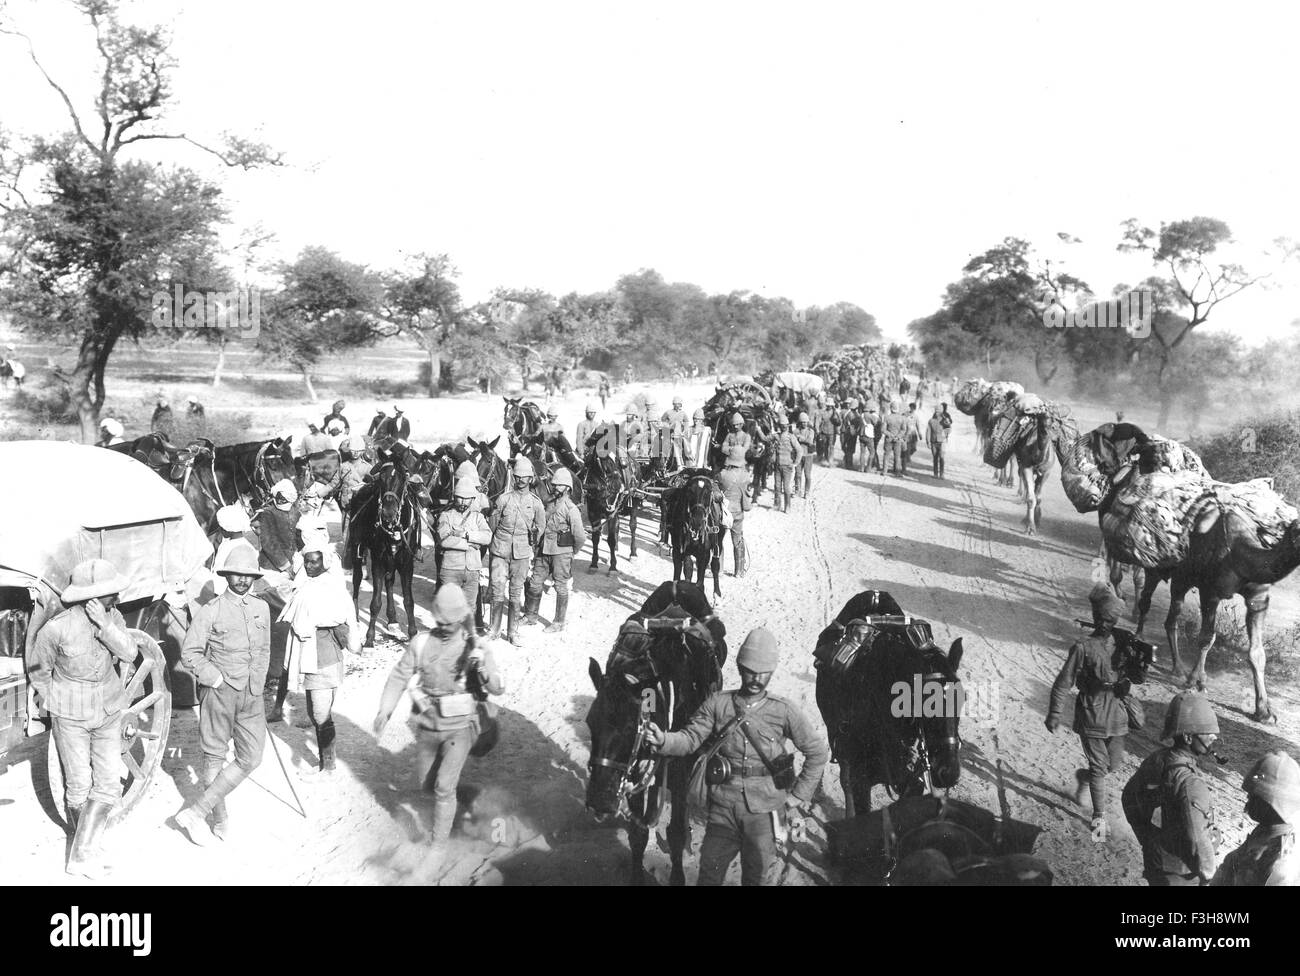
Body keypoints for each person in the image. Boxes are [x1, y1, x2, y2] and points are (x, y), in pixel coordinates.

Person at [645, 627, 829, 886]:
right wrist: (663, 740)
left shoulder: (783, 711)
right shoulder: (718, 704)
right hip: (723, 807)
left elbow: (817, 752)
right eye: (750, 671)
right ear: (740, 667)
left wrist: (798, 796)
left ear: (771, 672)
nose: (756, 678)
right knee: (709, 873)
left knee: (756, 877)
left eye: (763, 673)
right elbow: (690, 738)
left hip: (764, 809)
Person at [373, 586, 504, 875]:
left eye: (451, 622)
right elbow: (399, 675)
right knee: (428, 785)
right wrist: (385, 709)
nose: (445, 627)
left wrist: (481, 667)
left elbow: (498, 686)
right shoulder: (420, 643)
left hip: (461, 727)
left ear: (460, 620)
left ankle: (439, 847)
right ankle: (464, 798)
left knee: (444, 786)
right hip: (428, 725)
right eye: (441, 622)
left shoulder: (475, 646)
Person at [29, 559, 138, 877]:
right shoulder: (57, 629)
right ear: (90, 596)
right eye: (110, 594)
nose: (115, 598)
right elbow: (39, 670)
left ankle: (82, 851)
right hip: (71, 715)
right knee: (78, 788)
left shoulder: (112, 617)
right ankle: (85, 850)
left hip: (107, 710)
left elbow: (130, 653)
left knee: (107, 786)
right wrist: (54, 700)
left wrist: (105, 626)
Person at [175, 544, 272, 846]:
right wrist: (214, 678)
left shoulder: (262, 607)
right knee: (214, 758)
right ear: (227, 575)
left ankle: (196, 812)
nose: (242, 580)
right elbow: (190, 653)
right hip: (219, 695)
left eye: (248, 576)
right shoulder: (211, 610)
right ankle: (220, 819)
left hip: (252, 696)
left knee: (251, 757)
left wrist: (258, 683)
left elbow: (265, 649)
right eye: (236, 574)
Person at [1046, 583, 1131, 833]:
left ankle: (1084, 779)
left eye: (1110, 620)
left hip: (1116, 714)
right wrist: (1054, 713)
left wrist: (1129, 676)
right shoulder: (1082, 647)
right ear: (1095, 618)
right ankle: (1099, 818)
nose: (1105, 624)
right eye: (1101, 619)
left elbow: (1136, 677)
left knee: (1112, 765)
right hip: (1092, 712)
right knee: (1099, 768)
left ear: (1115, 621)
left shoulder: (1123, 643)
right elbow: (1064, 682)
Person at [277, 538, 361, 774]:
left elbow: (344, 622)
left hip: (323, 659)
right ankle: (327, 762)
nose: (310, 566)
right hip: (312, 657)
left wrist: (350, 642)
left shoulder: (331, 589)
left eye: (314, 562)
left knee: (320, 713)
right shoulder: (308, 586)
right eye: (307, 562)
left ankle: (329, 765)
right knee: (318, 712)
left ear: (326, 562)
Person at [1122, 691, 1222, 885]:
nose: (1213, 737)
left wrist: (1147, 838)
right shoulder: (1190, 783)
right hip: (1184, 874)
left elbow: (1129, 797)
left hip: (1157, 863)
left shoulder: (1158, 759)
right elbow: (1197, 839)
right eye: (1207, 732)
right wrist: (1209, 876)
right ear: (1187, 737)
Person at [1212, 751, 1300, 886]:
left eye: (1253, 797)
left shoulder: (1285, 863)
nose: (1247, 802)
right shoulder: (1269, 828)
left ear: (1272, 802)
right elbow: (1235, 860)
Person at [487, 456, 546, 645]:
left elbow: (541, 527)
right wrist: (497, 544)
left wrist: (532, 540)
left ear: (531, 479)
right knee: (497, 591)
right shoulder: (503, 500)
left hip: (521, 554)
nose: (520, 480)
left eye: (524, 477)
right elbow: (493, 525)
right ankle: (494, 630)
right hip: (500, 551)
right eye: (518, 476)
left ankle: (512, 632)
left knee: (515, 593)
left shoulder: (536, 503)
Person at [522, 467, 587, 633]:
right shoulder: (549, 504)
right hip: (544, 551)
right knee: (535, 583)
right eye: (554, 485)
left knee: (561, 587)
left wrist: (571, 552)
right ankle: (530, 616)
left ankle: (558, 622)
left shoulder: (571, 509)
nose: (555, 488)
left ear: (567, 488)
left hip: (561, 553)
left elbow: (580, 536)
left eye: (559, 485)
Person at [438, 478, 493, 614]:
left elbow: (487, 537)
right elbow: (444, 540)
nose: (463, 502)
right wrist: (471, 544)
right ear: (454, 497)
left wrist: (465, 534)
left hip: (472, 570)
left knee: (469, 610)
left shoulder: (478, 517)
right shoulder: (446, 516)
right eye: (460, 498)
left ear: (473, 499)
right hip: (451, 569)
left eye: (467, 499)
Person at [719, 413, 752, 578]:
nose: (736, 426)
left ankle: (718, 569)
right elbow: (747, 502)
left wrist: (731, 450)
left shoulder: (722, 475)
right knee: (738, 540)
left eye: (739, 424)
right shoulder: (746, 477)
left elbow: (726, 449)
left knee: (718, 540)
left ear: (742, 424)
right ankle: (739, 571)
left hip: (724, 513)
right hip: (738, 513)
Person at [252, 480, 301, 574]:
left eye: (283, 499)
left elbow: (299, 537)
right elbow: (268, 542)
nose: (280, 501)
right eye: (278, 498)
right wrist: (286, 565)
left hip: (294, 562)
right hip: (271, 565)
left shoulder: (296, 512)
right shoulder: (268, 513)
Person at [770, 416, 802, 513]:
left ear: (788, 426)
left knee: (787, 487)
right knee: (777, 486)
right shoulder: (776, 436)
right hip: (777, 466)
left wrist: (796, 463)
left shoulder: (791, 437)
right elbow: (765, 438)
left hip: (787, 466)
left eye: (785, 425)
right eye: (781, 425)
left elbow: (799, 450)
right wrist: (758, 429)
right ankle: (777, 505)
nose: (783, 427)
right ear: (779, 426)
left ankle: (788, 507)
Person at [792, 412, 816, 499]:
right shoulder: (795, 431)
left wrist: (800, 438)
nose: (804, 424)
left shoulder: (811, 431)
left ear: (808, 422)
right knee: (797, 474)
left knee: (807, 475)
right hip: (798, 455)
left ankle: (807, 492)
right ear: (799, 422)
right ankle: (797, 490)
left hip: (808, 455)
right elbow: (793, 441)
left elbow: (810, 441)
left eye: (805, 422)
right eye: (802, 422)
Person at [662, 396, 690, 467]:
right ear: (673, 404)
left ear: (681, 405)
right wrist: (667, 427)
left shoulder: (683, 413)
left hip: (679, 434)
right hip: (670, 434)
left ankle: (682, 463)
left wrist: (684, 431)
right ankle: (665, 463)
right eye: (675, 404)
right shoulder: (668, 412)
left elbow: (686, 422)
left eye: (678, 404)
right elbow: (663, 419)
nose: (677, 406)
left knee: (685, 447)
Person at [882, 401, 908, 475]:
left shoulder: (887, 417)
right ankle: (898, 472)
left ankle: (884, 471)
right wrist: (898, 436)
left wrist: (890, 435)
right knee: (897, 456)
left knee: (886, 455)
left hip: (888, 439)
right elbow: (904, 430)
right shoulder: (902, 418)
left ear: (891, 408)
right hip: (898, 439)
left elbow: (883, 429)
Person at [926, 404, 951, 478]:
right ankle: (935, 474)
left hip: (942, 442)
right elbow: (928, 432)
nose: (937, 413)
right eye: (936, 411)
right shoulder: (931, 421)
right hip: (933, 442)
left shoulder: (945, 420)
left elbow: (949, 430)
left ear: (941, 412)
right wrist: (928, 442)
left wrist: (945, 435)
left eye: (938, 412)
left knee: (942, 458)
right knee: (935, 458)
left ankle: (942, 474)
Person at [839, 399, 861, 470]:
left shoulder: (846, 413)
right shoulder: (857, 415)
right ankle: (849, 464)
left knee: (846, 448)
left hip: (845, 432)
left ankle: (847, 462)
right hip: (853, 433)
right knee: (850, 449)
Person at [818, 399, 839, 467]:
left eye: (830, 405)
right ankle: (826, 459)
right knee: (825, 446)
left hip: (832, 432)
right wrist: (819, 430)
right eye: (828, 405)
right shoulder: (824, 412)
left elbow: (839, 422)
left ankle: (830, 460)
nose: (829, 406)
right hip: (824, 431)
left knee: (831, 446)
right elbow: (821, 421)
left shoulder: (835, 412)